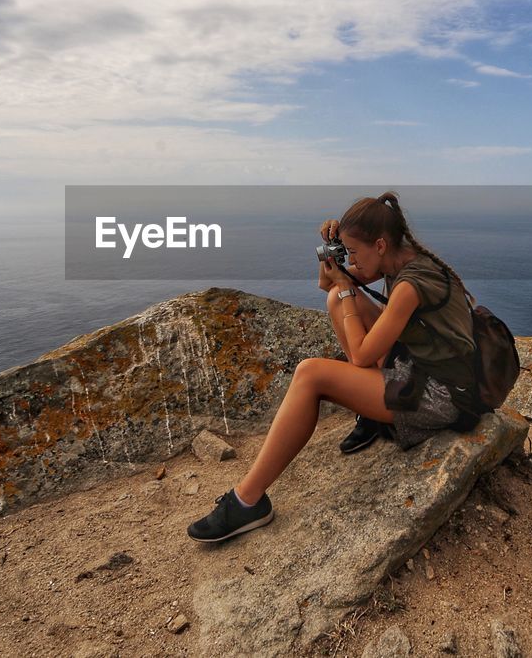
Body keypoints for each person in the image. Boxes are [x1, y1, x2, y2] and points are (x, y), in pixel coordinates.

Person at [186, 191, 480, 543]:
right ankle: (372, 413)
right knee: (339, 298)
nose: (352, 260)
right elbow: (328, 284)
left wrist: (344, 287)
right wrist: (333, 252)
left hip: (443, 394)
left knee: (311, 374)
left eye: (355, 253)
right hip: (421, 364)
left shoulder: (412, 284)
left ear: (381, 245)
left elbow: (358, 355)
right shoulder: (397, 259)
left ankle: (247, 501)